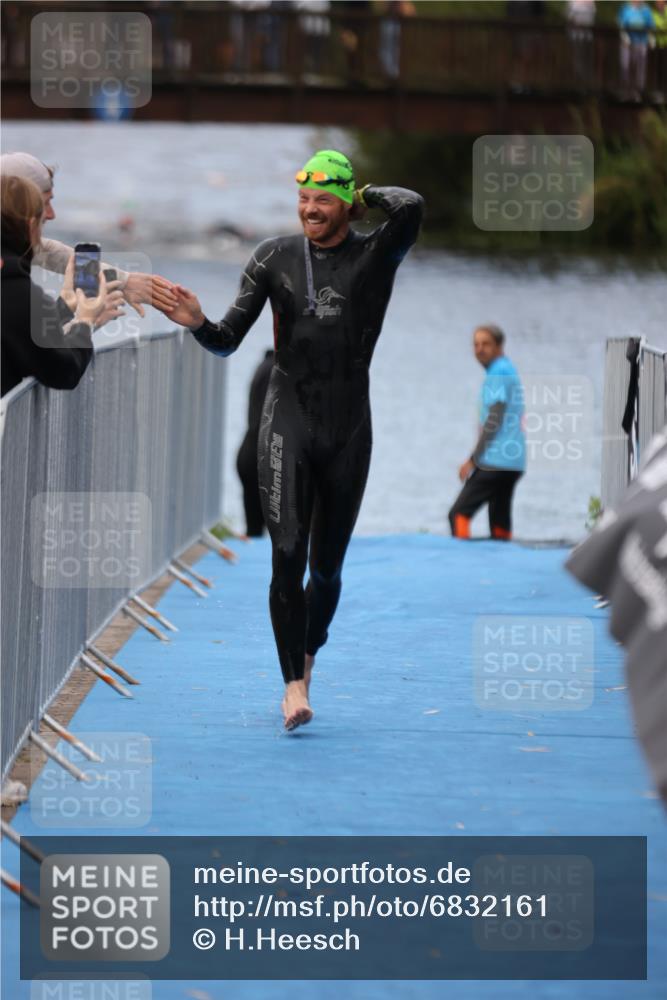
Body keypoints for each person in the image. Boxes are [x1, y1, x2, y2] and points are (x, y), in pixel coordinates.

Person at [156, 149, 423, 731]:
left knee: (326, 569)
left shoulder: (375, 254)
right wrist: (198, 321)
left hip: (349, 426)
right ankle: (292, 687)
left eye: (323, 200)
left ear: (346, 203)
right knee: (285, 554)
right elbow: (227, 339)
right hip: (289, 419)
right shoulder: (272, 258)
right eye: (303, 199)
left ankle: (307, 657)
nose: (310, 210)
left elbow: (411, 208)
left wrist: (366, 191)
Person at [0, 152, 177, 317]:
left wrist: (123, 280)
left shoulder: (10, 250)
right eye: (45, 203)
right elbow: (43, 347)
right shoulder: (12, 281)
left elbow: (48, 251)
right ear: (19, 206)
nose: (51, 214)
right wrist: (83, 320)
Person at [1, 175, 110, 396]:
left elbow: (21, 340)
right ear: (31, 225)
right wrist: (85, 322)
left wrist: (64, 307)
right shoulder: (19, 293)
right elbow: (63, 371)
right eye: (42, 222)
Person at [449, 324, 525, 542]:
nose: (480, 349)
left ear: (500, 347)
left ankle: (462, 562)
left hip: (496, 459)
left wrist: (473, 460)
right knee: (499, 521)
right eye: (476, 344)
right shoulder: (507, 368)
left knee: (458, 514)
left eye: (486, 344)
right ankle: (504, 561)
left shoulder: (498, 372)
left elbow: (495, 418)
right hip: (513, 461)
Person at [236, 348, 274, 537]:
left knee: (255, 531)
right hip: (263, 460)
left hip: (251, 455)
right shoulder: (278, 370)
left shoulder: (264, 366)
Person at [617, 0, 656, 98]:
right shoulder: (625, 8)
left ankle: (637, 92)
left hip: (641, 43)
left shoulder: (646, 9)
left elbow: (650, 25)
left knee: (640, 68)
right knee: (625, 67)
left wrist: (651, 37)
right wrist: (624, 35)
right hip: (627, 44)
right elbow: (620, 23)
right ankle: (625, 91)